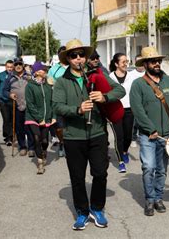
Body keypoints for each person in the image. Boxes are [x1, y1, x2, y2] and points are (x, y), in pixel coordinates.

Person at [52, 39, 125, 230]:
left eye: (81, 55)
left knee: (100, 173)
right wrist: (77, 109)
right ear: (68, 59)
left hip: (97, 133)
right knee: (77, 177)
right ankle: (82, 212)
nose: (78, 59)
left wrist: (104, 97)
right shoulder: (61, 82)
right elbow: (57, 106)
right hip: (73, 137)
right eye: (74, 56)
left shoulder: (96, 75)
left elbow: (120, 90)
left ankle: (97, 208)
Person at [130, 47, 169, 216]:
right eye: (152, 61)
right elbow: (138, 110)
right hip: (148, 136)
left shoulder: (168, 81)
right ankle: (149, 200)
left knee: (162, 170)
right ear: (145, 64)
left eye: (158, 60)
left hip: (166, 135)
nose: (156, 63)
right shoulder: (138, 85)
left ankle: (158, 198)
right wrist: (151, 129)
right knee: (149, 167)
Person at [108, 53, 139, 173]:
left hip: (129, 109)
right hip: (115, 110)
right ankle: (121, 161)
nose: (126, 64)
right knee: (118, 136)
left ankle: (125, 151)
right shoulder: (110, 77)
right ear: (116, 64)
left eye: (127, 61)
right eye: (123, 62)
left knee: (128, 136)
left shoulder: (132, 77)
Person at [25, 61, 55, 174]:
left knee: (45, 140)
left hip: (46, 117)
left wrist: (54, 116)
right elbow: (30, 104)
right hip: (33, 117)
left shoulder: (48, 85)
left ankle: (44, 151)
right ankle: (40, 163)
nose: (45, 71)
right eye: (43, 70)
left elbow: (53, 102)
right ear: (37, 72)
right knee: (37, 137)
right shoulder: (30, 86)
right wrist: (39, 118)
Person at [3, 57, 35, 157]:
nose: (18, 66)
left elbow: (36, 88)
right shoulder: (10, 78)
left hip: (29, 106)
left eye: (19, 64)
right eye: (16, 65)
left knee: (29, 127)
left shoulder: (29, 76)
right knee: (19, 128)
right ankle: (22, 147)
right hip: (17, 106)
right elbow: (4, 90)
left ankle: (31, 148)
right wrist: (10, 95)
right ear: (13, 66)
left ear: (23, 65)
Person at [47, 45, 68, 157]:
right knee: (59, 128)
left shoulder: (74, 67)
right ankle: (61, 142)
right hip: (58, 101)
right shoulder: (53, 69)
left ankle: (71, 146)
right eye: (61, 54)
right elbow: (49, 83)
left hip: (73, 102)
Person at [0, 60, 15, 145]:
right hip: (3, 101)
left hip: (12, 100)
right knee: (6, 119)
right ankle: (7, 137)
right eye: (8, 67)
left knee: (12, 119)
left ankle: (12, 136)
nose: (10, 69)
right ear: (5, 67)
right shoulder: (1, 75)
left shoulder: (14, 75)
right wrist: (0, 93)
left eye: (11, 67)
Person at [130, 54, 145, 147]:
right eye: (138, 62)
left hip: (146, 102)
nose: (140, 64)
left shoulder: (148, 73)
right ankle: (133, 138)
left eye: (141, 62)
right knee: (134, 122)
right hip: (135, 102)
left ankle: (143, 136)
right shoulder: (131, 74)